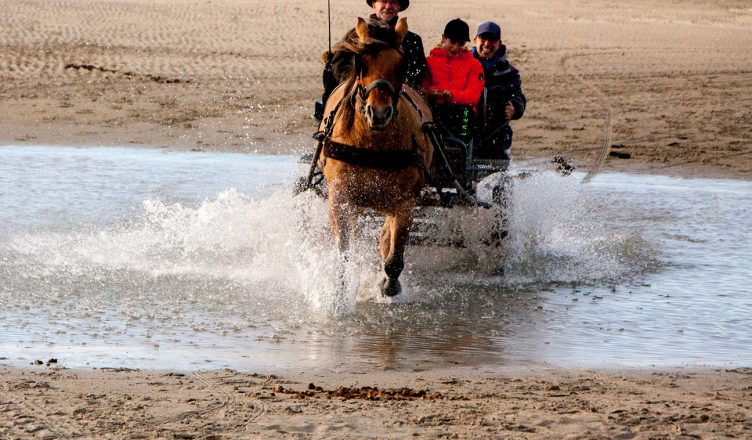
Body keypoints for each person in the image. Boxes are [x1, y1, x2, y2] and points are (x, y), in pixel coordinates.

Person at [315, 0, 428, 120]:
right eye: (383, 1)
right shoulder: (356, 35)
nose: (388, 6)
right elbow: (338, 64)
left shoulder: (412, 40)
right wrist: (355, 82)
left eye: (393, 2)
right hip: (358, 94)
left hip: (399, 96)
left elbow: (418, 71)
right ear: (374, 5)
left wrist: (399, 86)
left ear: (399, 7)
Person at [422, 18, 485, 144]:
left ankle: (457, 149)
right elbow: (421, 89)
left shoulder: (474, 65)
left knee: (464, 112)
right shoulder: (428, 62)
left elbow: (473, 96)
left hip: (463, 115)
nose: (456, 47)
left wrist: (451, 96)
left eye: (461, 43)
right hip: (434, 109)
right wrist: (434, 94)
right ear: (444, 38)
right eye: (453, 41)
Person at [471, 21, 526, 160]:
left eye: (492, 40)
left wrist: (515, 108)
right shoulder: (464, 66)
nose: (487, 44)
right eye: (483, 39)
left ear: (499, 43)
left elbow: (518, 97)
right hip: (467, 134)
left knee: (498, 179)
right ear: (475, 40)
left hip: (496, 137)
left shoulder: (508, 72)